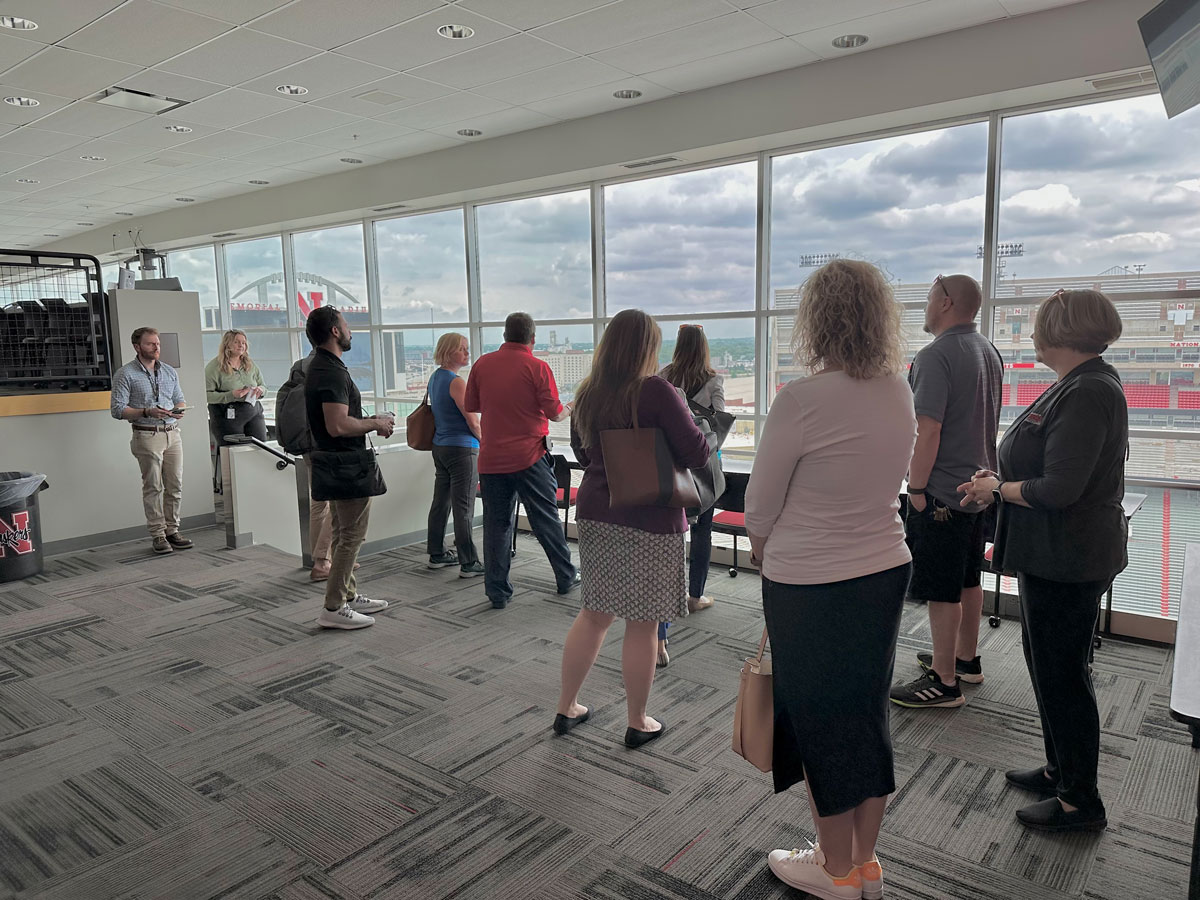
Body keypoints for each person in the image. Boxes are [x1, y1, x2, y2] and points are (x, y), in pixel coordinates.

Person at [746, 260, 915, 900]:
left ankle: (835, 870)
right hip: (883, 570)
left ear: (817, 320)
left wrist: (770, 557)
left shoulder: (801, 400)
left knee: (818, 722)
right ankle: (865, 863)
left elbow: (759, 511)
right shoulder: (898, 389)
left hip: (809, 583)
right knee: (864, 715)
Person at [959, 288, 1127, 834]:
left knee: (1063, 675)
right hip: (1053, 554)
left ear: (1061, 331)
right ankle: (1062, 769)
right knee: (1048, 665)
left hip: (1069, 557)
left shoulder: (1087, 392)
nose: (1031, 334)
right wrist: (997, 486)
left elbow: (1059, 488)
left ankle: (1081, 800)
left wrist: (998, 488)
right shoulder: (1076, 385)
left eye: (1037, 325)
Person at [553, 309, 709, 748]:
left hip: (598, 510)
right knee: (642, 623)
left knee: (594, 614)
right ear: (647, 348)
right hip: (650, 517)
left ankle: (567, 707)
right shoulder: (656, 391)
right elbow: (696, 453)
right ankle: (638, 720)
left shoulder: (587, 393)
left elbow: (583, 453)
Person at [889, 275, 1002, 709]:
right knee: (968, 577)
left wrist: (916, 487)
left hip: (941, 492)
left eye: (929, 297)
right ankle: (965, 658)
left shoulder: (935, 355)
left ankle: (944, 680)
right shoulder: (986, 349)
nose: (925, 305)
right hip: (977, 487)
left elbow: (928, 428)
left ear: (947, 302)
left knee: (941, 588)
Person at [464, 312, 578, 609]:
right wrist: (571, 406)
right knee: (545, 520)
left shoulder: (482, 364)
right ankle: (565, 576)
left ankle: (497, 592)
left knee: (496, 525)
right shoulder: (537, 367)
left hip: (491, 460)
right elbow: (555, 413)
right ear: (533, 338)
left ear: (504, 335)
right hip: (530, 457)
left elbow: (472, 405)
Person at [304, 306, 394, 630]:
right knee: (352, 535)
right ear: (335, 332)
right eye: (346, 325)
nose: (351, 330)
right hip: (345, 465)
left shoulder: (323, 366)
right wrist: (375, 423)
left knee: (344, 532)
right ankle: (334, 605)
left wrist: (371, 421)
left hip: (336, 463)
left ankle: (348, 594)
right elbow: (338, 425)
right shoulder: (330, 372)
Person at [656, 323, 726, 667]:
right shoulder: (714, 379)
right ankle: (694, 595)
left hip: (669, 462)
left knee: (669, 534)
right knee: (702, 531)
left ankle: (665, 607)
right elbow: (721, 421)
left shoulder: (664, 375)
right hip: (702, 463)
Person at [110, 326, 194, 555]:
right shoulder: (125, 374)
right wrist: (146, 412)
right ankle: (158, 534)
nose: (156, 347)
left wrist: (179, 410)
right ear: (137, 347)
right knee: (154, 486)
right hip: (147, 434)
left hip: (172, 433)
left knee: (175, 485)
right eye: (150, 344)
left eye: (157, 343)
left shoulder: (168, 371)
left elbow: (179, 399)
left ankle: (172, 530)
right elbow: (117, 410)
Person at [426, 332, 483, 577]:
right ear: (450, 352)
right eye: (462, 349)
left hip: (441, 447)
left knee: (441, 502)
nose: (467, 353)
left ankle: (437, 554)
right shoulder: (456, 382)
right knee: (464, 507)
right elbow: (471, 419)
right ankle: (469, 562)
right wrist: (485, 441)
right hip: (462, 449)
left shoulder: (435, 378)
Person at [279, 346, 335, 582]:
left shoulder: (299, 366)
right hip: (325, 444)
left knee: (318, 503)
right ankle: (324, 560)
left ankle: (322, 559)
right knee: (341, 503)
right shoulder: (328, 369)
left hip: (306, 443)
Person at [204, 330, 266, 505]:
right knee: (235, 454)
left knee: (260, 449)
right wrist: (231, 395)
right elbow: (206, 395)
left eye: (244, 342)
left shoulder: (250, 365)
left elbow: (263, 385)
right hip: (227, 415)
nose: (242, 345)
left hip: (252, 411)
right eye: (238, 342)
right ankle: (237, 501)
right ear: (227, 345)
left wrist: (260, 390)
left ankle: (258, 492)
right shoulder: (214, 368)